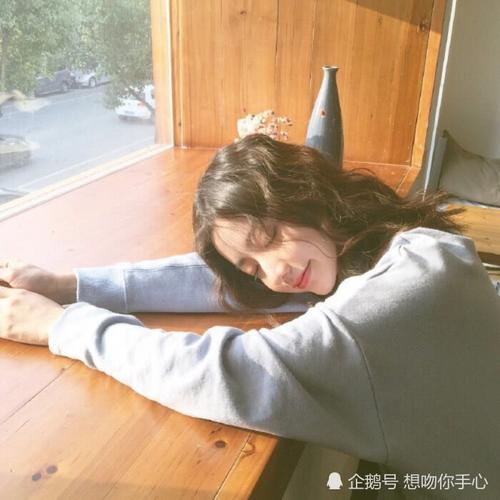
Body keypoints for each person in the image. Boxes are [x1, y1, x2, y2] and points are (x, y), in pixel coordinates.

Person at [0, 134, 499, 499]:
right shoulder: (405, 250)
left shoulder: (399, 295)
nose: (275, 275)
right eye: (253, 267)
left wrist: (61, 326)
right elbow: (218, 281)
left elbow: (227, 371)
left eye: (268, 239)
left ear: (305, 194)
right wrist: (70, 284)